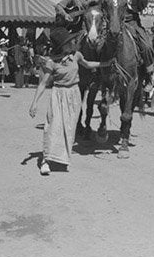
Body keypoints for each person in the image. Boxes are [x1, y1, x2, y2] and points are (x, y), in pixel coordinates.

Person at [29, 28, 107, 175]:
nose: (73, 42)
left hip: (74, 94)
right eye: (70, 41)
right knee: (53, 125)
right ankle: (46, 160)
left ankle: (61, 157)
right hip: (58, 94)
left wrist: (105, 63)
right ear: (63, 45)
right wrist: (34, 103)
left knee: (69, 128)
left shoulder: (76, 55)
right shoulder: (51, 62)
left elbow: (88, 64)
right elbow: (43, 83)